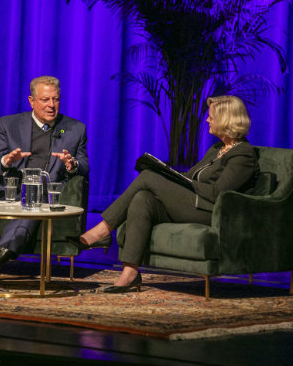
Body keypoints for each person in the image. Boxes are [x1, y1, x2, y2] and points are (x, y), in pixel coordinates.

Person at [68, 95, 259, 293]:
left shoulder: (243, 154)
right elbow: (191, 176)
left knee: (148, 177)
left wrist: (182, 183)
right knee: (143, 199)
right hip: (194, 203)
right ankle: (130, 273)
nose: (207, 120)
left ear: (227, 120)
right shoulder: (217, 148)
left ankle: (102, 231)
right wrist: (170, 175)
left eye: (211, 117)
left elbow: (218, 193)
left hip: (212, 212)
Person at [0, 75, 89, 280]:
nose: (51, 105)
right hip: (4, 188)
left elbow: (84, 165)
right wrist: (6, 161)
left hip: (38, 195)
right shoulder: (8, 124)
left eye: (56, 99)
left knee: (33, 205)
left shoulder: (75, 129)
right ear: (31, 101)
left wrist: (71, 164)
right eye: (45, 100)